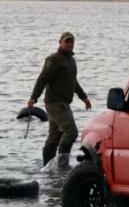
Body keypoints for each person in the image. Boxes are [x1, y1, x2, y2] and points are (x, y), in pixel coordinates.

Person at [28, 31, 91, 169]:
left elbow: (73, 82)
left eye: (71, 42)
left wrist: (84, 97)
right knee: (71, 132)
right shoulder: (53, 59)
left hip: (64, 103)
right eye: (67, 41)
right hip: (55, 103)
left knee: (54, 137)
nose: (69, 44)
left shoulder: (71, 61)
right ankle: (62, 166)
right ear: (60, 42)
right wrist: (34, 97)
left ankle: (47, 168)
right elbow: (42, 79)